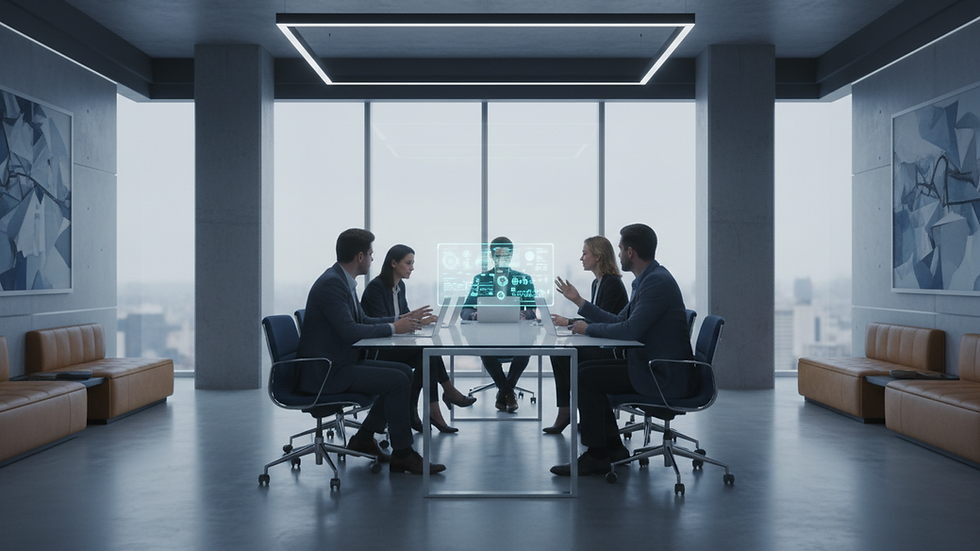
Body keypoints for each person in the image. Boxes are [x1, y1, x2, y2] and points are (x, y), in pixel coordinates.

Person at [295, 228, 445, 475]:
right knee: (397, 380)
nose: (373, 259)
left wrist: (401, 319)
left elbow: (362, 320)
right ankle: (403, 454)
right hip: (326, 372)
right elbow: (350, 332)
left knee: (404, 372)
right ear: (360, 256)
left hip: (339, 363)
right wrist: (393, 328)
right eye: (371, 254)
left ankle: (364, 438)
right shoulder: (332, 284)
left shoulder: (341, 280)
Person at [550, 224, 694, 476]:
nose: (617, 255)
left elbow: (629, 331)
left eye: (619, 249)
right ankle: (614, 449)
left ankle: (597, 455)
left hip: (661, 373)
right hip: (650, 364)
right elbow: (619, 320)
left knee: (586, 377)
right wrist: (580, 303)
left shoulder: (655, 283)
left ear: (630, 252)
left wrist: (588, 329)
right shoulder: (647, 280)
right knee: (585, 370)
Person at [361, 244, 477, 434]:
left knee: (427, 357)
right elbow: (383, 324)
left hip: (394, 345)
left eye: (412, 263)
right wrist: (412, 321)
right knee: (427, 355)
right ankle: (443, 397)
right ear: (393, 263)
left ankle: (426, 409)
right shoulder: (376, 288)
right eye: (408, 263)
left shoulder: (400, 286)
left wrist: (422, 321)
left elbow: (404, 318)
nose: (412, 268)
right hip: (379, 351)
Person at [544, 236, 629, 434]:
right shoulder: (597, 283)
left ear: (598, 257)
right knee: (558, 352)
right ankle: (569, 410)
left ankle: (581, 411)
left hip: (613, 350)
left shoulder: (612, 283)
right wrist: (570, 321)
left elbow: (606, 321)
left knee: (563, 355)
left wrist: (576, 305)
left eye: (585, 253)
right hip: (602, 343)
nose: (581, 258)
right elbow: (596, 318)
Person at [460, 236, 537, 413]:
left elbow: (532, 310)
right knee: (485, 349)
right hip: (488, 334)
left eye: (506, 254)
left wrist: (523, 315)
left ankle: (504, 391)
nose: (502, 258)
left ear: (511, 255)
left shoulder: (523, 279)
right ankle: (508, 392)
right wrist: (474, 315)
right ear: (492, 255)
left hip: (516, 333)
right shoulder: (481, 279)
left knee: (525, 350)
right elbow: (465, 310)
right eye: (498, 254)